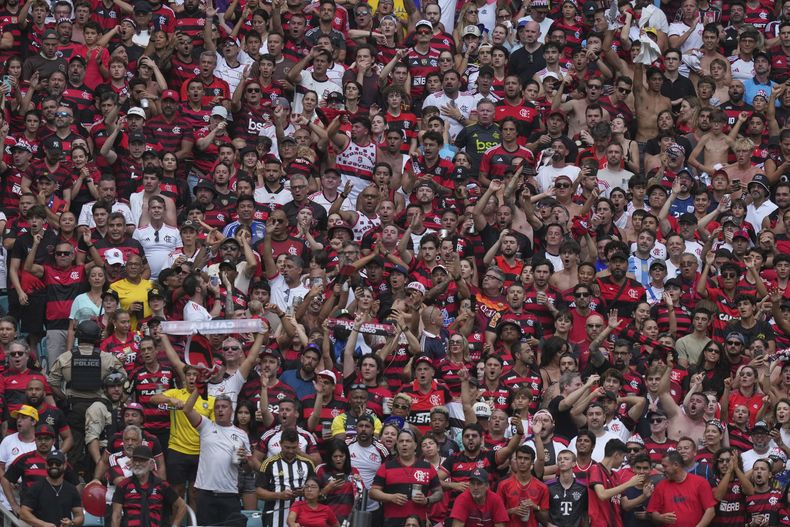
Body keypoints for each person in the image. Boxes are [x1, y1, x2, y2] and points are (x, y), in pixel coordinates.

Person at [370, 428, 443, 527]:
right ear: (397, 445)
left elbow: (439, 493)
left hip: (418, 523)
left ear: (415, 445)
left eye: (408, 441)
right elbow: (373, 492)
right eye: (401, 441)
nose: (404, 444)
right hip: (391, 523)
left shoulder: (427, 467)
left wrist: (427, 500)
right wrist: (391, 497)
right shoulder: (386, 467)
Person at [110, 445, 187, 527]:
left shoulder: (162, 485)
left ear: (151, 464)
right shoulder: (123, 485)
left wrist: (175, 525)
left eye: (142, 460)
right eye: (135, 460)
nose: (137, 463)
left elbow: (182, 506)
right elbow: (116, 516)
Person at [257, 428, 316, 527]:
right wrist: (279, 495)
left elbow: (316, 490)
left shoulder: (308, 464)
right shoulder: (269, 463)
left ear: (298, 444)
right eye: (287, 447)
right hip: (274, 518)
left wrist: (305, 491)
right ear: (280, 444)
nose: (291, 451)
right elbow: (258, 493)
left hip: (302, 518)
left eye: (294, 447)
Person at [647, 451, 717, 527]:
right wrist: (660, 518)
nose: (663, 470)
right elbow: (652, 511)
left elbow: (710, 511)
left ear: (676, 465)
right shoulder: (661, 486)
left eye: (665, 466)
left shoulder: (700, 482)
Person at [19, 451, 83, 527]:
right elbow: (23, 513)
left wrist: (71, 523)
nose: (54, 466)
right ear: (46, 465)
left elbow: (79, 516)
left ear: (65, 465)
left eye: (58, 463)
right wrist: (43, 525)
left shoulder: (71, 489)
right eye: (50, 463)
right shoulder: (36, 487)